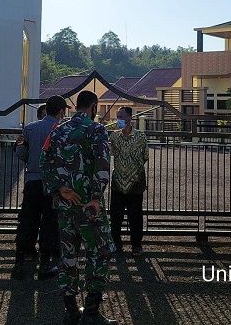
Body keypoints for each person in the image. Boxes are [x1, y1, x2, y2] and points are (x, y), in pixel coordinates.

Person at [41, 90, 118, 325]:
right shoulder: (97, 130)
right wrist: (96, 197)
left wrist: (59, 188)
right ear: (93, 107)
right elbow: (103, 164)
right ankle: (92, 312)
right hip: (89, 207)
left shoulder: (58, 130)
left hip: (65, 205)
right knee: (98, 252)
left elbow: (44, 162)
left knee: (68, 255)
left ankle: (71, 309)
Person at [12, 95, 68, 281]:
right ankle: (45, 266)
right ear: (61, 111)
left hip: (32, 180)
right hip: (53, 184)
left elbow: (19, 150)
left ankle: (19, 263)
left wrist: (31, 160)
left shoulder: (29, 128)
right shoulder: (62, 131)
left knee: (27, 221)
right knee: (49, 223)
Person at [109, 106, 148, 257]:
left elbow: (145, 156)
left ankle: (136, 245)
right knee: (116, 216)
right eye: (117, 116)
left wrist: (133, 171)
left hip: (135, 182)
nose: (118, 119)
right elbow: (111, 154)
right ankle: (116, 243)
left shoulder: (141, 136)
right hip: (118, 182)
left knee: (135, 216)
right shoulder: (114, 137)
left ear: (130, 118)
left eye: (121, 116)